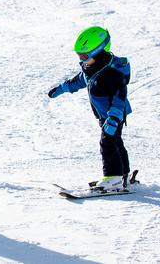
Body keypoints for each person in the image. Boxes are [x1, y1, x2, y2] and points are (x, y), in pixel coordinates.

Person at [47, 26, 132, 191]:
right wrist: (61, 89)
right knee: (116, 143)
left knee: (107, 143)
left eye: (84, 56)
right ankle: (122, 175)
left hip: (114, 115)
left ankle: (113, 178)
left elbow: (119, 98)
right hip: (104, 116)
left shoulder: (112, 74)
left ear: (98, 52)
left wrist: (113, 119)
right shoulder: (91, 69)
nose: (81, 59)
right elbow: (78, 81)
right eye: (79, 55)